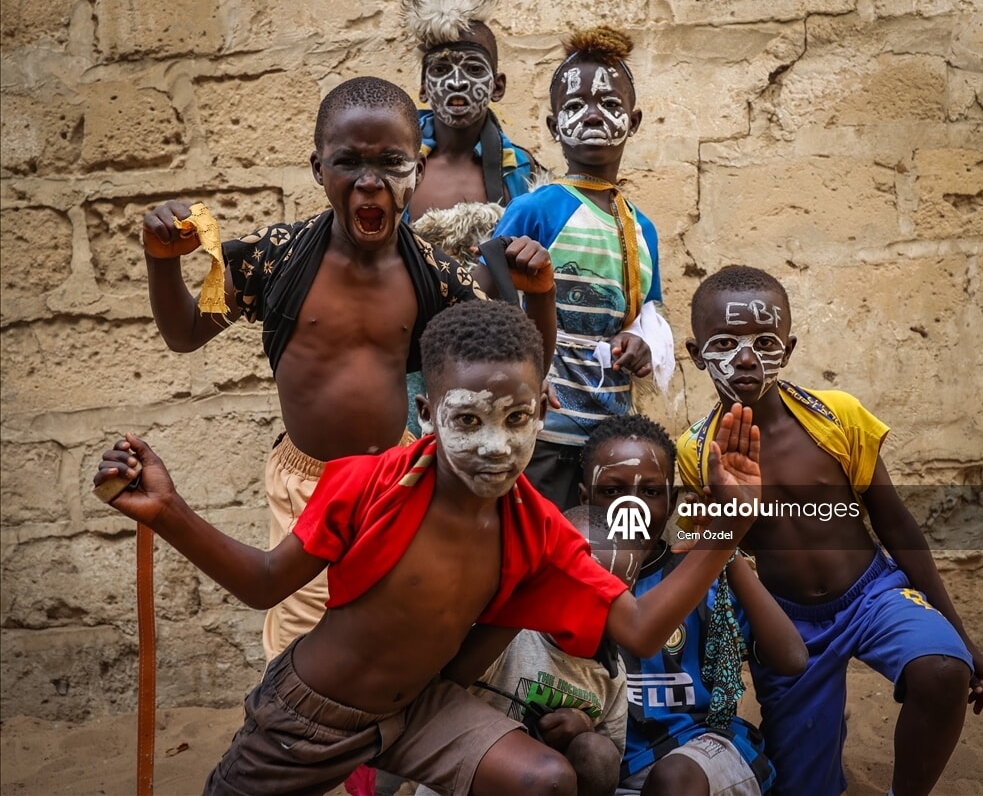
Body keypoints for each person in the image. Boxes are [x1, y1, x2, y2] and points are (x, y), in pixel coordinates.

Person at [94, 299, 763, 796]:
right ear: (425, 413)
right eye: (466, 420)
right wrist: (171, 513)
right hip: (312, 712)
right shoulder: (368, 483)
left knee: (547, 779)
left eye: (517, 419)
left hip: (422, 710)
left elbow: (643, 628)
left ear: (545, 409)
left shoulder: (536, 529)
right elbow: (267, 581)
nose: (495, 447)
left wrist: (730, 524)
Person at [140, 77, 557, 663]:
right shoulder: (274, 259)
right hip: (306, 486)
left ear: (417, 167)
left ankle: (383, 749)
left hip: (396, 481)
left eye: (391, 162)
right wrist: (162, 263)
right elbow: (185, 335)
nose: (370, 181)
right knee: (303, 642)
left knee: (392, 631)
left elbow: (525, 366)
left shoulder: (437, 275)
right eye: (348, 163)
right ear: (318, 169)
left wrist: (539, 296)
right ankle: (297, 744)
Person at [676, 265, 983, 796]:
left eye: (765, 342)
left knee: (943, 670)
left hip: (873, 593)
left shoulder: (837, 418)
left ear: (790, 346)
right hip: (788, 622)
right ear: (695, 353)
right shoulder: (697, 452)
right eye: (725, 343)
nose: (746, 359)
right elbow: (716, 557)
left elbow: (895, 521)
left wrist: (958, 632)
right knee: (804, 787)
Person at [482, 25, 674, 511]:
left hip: (612, 436)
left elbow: (645, 316)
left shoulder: (641, 228)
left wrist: (641, 342)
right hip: (544, 430)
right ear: (553, 127)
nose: (592, 116)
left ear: (633, 121)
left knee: (606, 550)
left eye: (608, 106)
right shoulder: (538, 208)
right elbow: (492, 294)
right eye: (574, 107)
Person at [575, 414, 806, 796]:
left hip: (698, 753)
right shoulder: (568, 581)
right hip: (612, 761)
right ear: (585, 498)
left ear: (672, 501)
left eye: (650, 492)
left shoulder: (696, 573)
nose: (632, 506)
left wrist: (723, 545)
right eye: (613, 491)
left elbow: (792, 657)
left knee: (673, 780)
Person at [415, 504, 632, 796]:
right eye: (572, 586)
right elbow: (449, 681)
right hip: (470, 779)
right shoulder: (511, 633)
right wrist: (525, 606)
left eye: (607, 598)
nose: (588, 605)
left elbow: (607, 763)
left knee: (597, 753)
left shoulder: (611, 673)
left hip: (550, 783)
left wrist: (584, 725)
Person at [399, 0, 539, 233]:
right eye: (441, 69)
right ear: (423, 87)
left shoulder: (519, 170)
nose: (456, 83)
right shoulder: (397, 167)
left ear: (497, 87)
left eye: (474, 69)